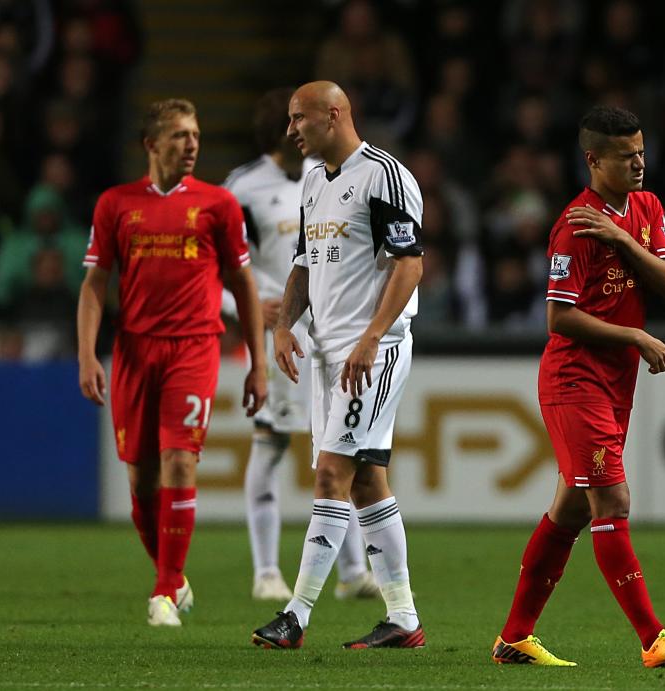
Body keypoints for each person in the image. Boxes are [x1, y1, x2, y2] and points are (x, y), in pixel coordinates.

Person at [490, 105, 665, 667]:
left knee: (570, 509)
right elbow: (558, 319)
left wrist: (623, 238)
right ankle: (652, 637)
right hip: (575, 378)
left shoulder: (647, 207)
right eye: (625, 155)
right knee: (611, 498)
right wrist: (635, 333)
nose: (639, 162)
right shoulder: (574, 225)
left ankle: (515, 636)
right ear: (594, 160)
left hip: (614, 382)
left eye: (641, 151)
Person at [77, 98, 268, 627]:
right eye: (181, 135)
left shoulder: (218, 205)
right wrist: (88, 353)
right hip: (135, 351)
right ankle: (175, 577)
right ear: (151, 144)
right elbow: (95, 283)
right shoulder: (117, 204)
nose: (192, 146)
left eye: (197, 136)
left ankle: (163, 591)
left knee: (180, 461)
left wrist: (258, 360)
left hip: (194, 347)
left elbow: (243, 285)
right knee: (141, 483)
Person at [251, 81, 424, 650]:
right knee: (367, 483)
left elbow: (408, 265)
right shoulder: (311, 183)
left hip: (370, 353)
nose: (291, 130)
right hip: (329, 354)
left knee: (331, 474)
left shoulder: (383, 176)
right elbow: (302, 262)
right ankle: (403, 618)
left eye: (298, 118)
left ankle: (295, 616)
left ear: (334, 114)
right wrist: (282, 326)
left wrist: (372, 336)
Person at [222, 88, 380, 602]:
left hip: (332, 333)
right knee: (270, 447)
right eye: (291, 124)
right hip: (279, 336)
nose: (298, 132)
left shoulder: (328, 180)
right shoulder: (243, 189)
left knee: (343, 449)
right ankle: (266, 571)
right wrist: (246, 311)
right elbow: (214, 271)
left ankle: (353, 572)